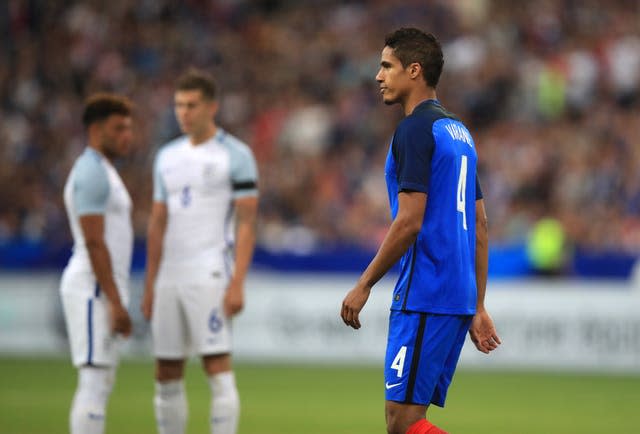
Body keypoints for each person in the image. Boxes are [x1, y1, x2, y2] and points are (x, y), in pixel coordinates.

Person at [340, 28, 501, 434]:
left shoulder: (414, 130)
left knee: (402, 421)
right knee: (407, 420)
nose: (378, 76)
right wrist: (477, 305)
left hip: (426, 292)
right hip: (457, 296)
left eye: (386, 66)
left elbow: (409, 221)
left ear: (414, 70)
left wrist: (364, 283)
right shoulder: (459, 132)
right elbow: (479, 225)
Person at [142, 68, 259, 434]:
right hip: (168, 277)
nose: (184, 112)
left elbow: (247, 223)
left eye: (191, 105)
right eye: (179, 105)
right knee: (166, 371)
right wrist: (149, 283)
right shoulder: (166, 156)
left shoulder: (236, 155)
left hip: (209, 271)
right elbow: (157, 222)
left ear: (212, 107)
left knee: (216, 365)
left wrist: (237, 281)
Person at [59, 93, 135, 434]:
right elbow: (93, 239)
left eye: (129, 129)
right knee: (93, 381)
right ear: (95, 129)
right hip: (93, 286)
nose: (127, 136)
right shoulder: (91, 172)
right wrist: (115, 301)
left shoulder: (103, 170)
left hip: (99, 285)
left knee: (101, 381)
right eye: (118, 128)